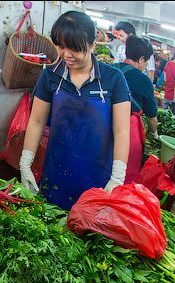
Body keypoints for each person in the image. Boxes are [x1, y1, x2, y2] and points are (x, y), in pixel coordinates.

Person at [19, 11, 131, 209]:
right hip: (56, 171)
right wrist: (25, 163)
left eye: (74, 49)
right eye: (61, 46)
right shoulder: (50, 76)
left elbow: (122, 130)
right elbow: (36, 121)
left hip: (98, 178)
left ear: (92, 45)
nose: (66, 55)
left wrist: (117, 177)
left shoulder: (114, 79)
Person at [113, 36, 158, 183]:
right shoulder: (144, 80)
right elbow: (152, 116)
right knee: (124, 175)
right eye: (146, 62)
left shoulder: (112, 69)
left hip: (104, 124)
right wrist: (154, 134)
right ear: (141, 59)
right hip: (128, 130)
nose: (145, 65)